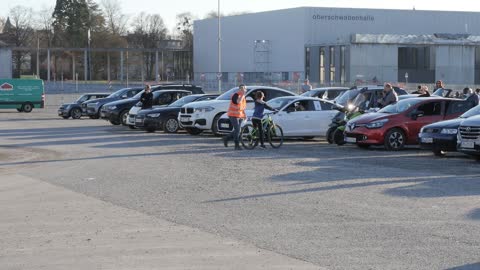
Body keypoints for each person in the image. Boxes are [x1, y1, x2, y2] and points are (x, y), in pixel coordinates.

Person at [222, 84, 247, 150]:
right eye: (242, 89)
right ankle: (236, 145)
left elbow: (242, 107)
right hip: (233, 115)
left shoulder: (243, 96)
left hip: (240, 115)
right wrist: (242, 95)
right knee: (237, 130)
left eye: (244, 89)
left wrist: (244, 115)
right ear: (239, 89)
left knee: (238, 130)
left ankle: (226, 138)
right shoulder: (235, 95)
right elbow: (238, 102)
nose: (244, 90)